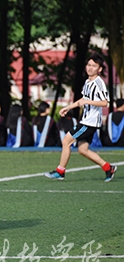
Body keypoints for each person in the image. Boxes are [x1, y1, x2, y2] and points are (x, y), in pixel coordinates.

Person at [44, 53, 116, 182]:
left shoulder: (99, 84)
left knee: (66, 141)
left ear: (99, 69)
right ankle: (108, 168)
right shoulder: (88, 82)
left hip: (90, 122)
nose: (90, 68)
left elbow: (105, 102)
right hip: (86, 120)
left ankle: (60, 171)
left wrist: (88, 102)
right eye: (89, 65)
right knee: (83, 150)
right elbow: (82, 100)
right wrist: (68, 107)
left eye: (94, 66)